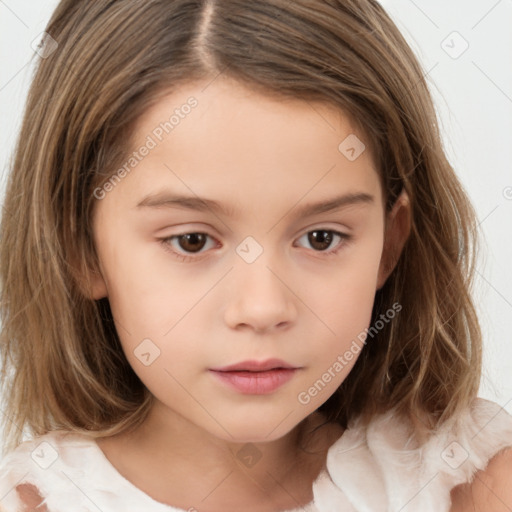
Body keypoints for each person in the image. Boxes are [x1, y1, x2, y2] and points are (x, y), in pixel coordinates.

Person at [0, 0, 511, 511]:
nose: (263, 308)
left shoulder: (474, 484)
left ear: (389, 245)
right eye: (192, 241)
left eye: (321, 238)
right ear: (81, 250)